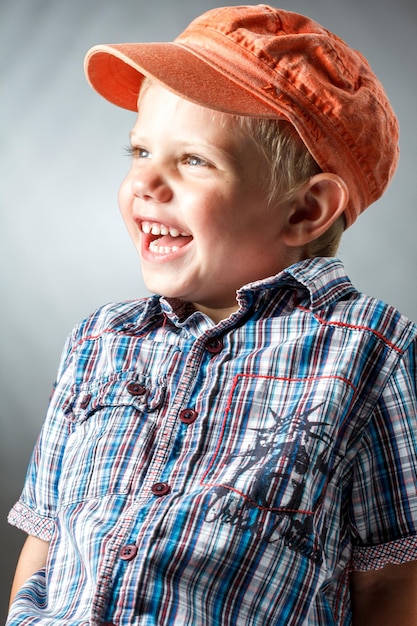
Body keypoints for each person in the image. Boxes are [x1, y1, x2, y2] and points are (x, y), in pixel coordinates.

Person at [6, 4, 417, 625]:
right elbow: (45, 543)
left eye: (193, 160)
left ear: (306, 211)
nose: (146, 182)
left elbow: (393, 580)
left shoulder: (369, 352)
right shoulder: (99, 342)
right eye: (140, 151)